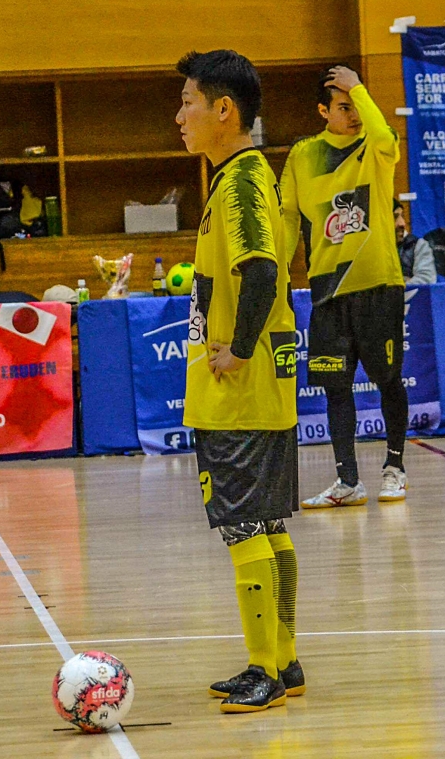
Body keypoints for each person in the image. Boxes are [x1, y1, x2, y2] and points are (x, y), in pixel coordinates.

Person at [176, 49, 304, 713]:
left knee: (243, 525)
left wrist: (240, 351)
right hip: (258, 390)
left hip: (241, 392)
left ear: (224, 110)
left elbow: (263, 270)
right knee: (267, 521)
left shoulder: (244, 183)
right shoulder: (239, 179)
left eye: (188, 103)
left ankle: (264, 670)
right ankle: (282, 658)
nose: (179, 118)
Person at [281, 64, 408, 508]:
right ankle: (348, 480)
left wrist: (358, 89)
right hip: (327, 291)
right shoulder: (303, 155)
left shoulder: (375, 146)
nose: (353, 115)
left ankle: (395, 468)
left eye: (356, 105)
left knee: (388, 379)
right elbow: (287, 218)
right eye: (343, 107)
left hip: (378, 284)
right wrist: (277, 271)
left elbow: (388, 137)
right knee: (335, 385)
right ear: (323, 111)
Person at [394, 198, 437, 285]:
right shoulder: (369, 249)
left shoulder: (417, 245)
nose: (402, 223)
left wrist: (398, 286)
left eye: (402, 216)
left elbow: (426, 280)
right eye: (395, 217)